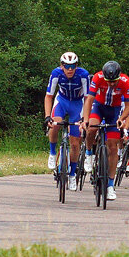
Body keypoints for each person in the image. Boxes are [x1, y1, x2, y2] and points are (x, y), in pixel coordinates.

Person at [82, 60, 129, 202]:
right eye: (108, 81)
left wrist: (121, 119)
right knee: (92, 127)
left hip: (114, 111)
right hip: (98, 106)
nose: (111, 84)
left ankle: (110, 185)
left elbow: (128, 106)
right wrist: (86, 119)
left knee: (112, 146)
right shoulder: (97, 77)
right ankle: (88, 153)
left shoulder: (126, 82)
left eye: (114, 81)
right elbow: (89, 100)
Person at [43, 52, 90, 188]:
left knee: (75, 143)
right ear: (61, 66)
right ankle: (52, 153)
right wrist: (47, 116)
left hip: (78, 103)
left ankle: (72, 174)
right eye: (67, 66)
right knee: (54, 124)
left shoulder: (83, 75)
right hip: (62, 101)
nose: (70, 69)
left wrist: (84, 118)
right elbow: (49, 96)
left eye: (73, 66)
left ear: (76, 65)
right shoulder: (56, 73)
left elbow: (88, 98)